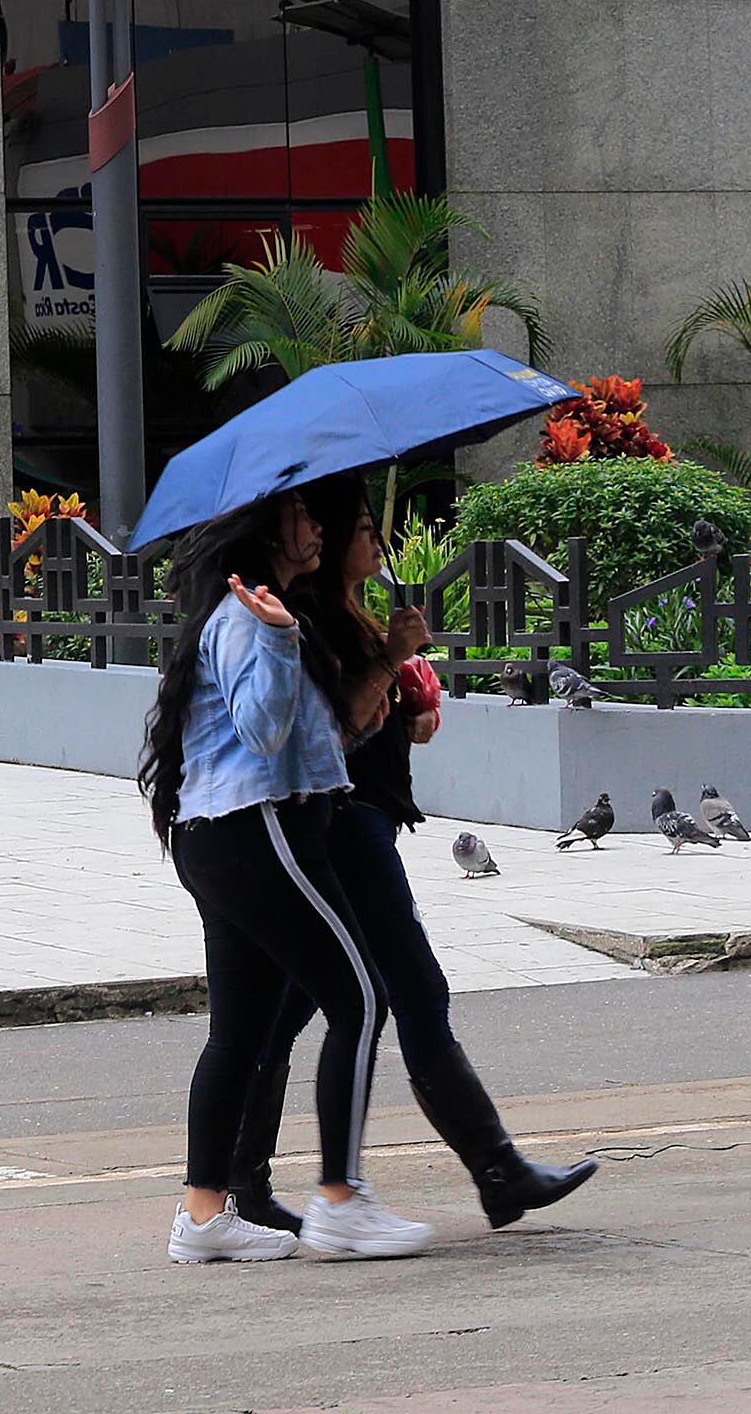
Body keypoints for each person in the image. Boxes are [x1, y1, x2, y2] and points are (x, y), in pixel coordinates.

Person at [218, 474, 599, 1234]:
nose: (374, 540)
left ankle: (245, 1184)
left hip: (364, 824)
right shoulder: (308, 617)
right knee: (410, 992)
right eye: (362, 528)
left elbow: (368, 721)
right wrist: (392, 662)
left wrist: (408, 708)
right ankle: (484, 1171)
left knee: (293, 1009)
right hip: (347, 830)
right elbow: (331, 731)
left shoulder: (346, 614)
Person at [140, 488, 433, 1263]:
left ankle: (203, 1217)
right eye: (304, 516)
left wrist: (367, 705)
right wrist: (276, 639)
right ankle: (341, 1200)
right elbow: (263, 733)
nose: (318, 527)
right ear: (269, 531)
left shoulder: (259, 612)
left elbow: (301, 735)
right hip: (257, 831)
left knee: (238, 1033)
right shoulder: (249, 619)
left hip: (228, 836)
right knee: (361, 999)